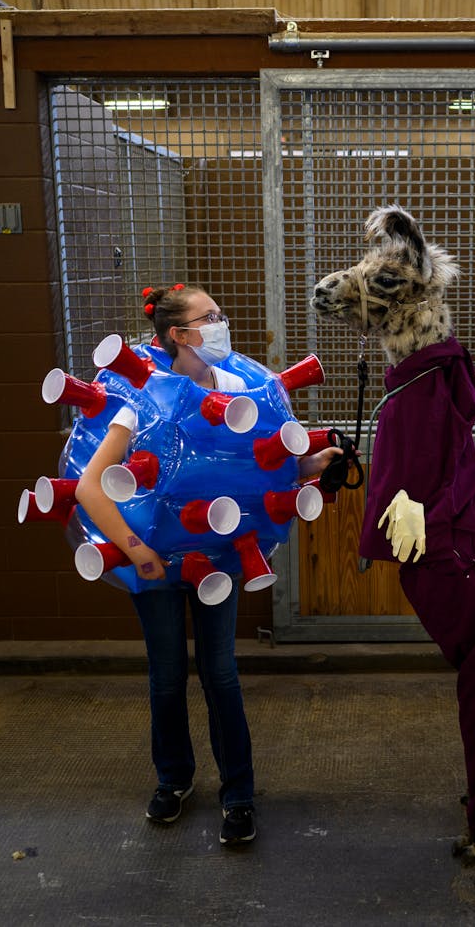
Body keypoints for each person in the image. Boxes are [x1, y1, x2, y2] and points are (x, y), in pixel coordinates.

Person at [75, 283, 339, 847]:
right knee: (167, 676)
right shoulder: (140, 396)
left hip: (218, 557)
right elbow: (90, 488)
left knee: (221, 674)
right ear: (179, 335)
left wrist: (314, 463)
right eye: (209, 317)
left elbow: (261, 475)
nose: (221, 324)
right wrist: (136, 549)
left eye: (220, 313)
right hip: (154, 563)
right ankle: (173, 781)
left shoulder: (247, 387)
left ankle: (238, 795)